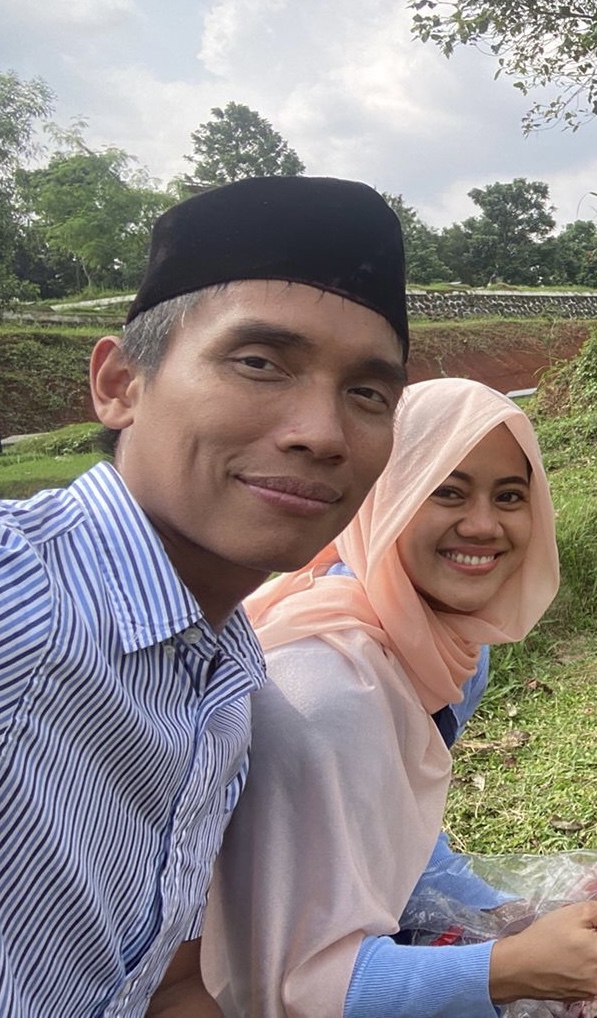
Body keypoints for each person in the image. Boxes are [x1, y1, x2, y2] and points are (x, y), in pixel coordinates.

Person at [0, 176, 409, 1017]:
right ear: (121, 383)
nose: (323, 433)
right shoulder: (22, 591)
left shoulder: (226, 675)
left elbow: (165, 986)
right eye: (259, 363)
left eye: (368, 394)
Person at [202, 377, 597, 1018]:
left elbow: (396, 834)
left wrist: (503, 917)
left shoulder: (449, 649)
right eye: (447, 491)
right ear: (387, 495)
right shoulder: (324, 693)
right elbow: (293, 989)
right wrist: (510, 966)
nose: (483, 526)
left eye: (509, 496)